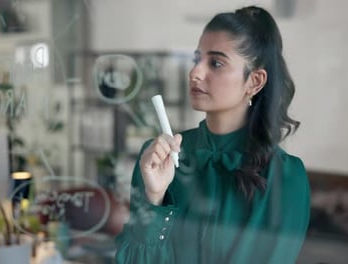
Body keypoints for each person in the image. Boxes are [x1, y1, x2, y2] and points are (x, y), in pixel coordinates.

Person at [115, 5, 310, 264]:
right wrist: (154, 197)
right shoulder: (159, 159)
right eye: (197, 59)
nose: (195, 73)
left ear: (255, 81)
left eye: (216, 63)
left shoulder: (285, 178)